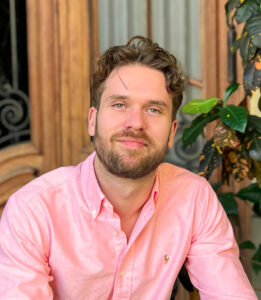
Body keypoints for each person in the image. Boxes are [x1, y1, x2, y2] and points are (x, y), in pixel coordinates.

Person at [0, 36, 257, 300]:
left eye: (154, 109)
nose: (135, 123)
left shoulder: (194, 199)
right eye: (119, 104)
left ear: (172, 132)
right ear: (92, 121)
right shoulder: (33, 210)